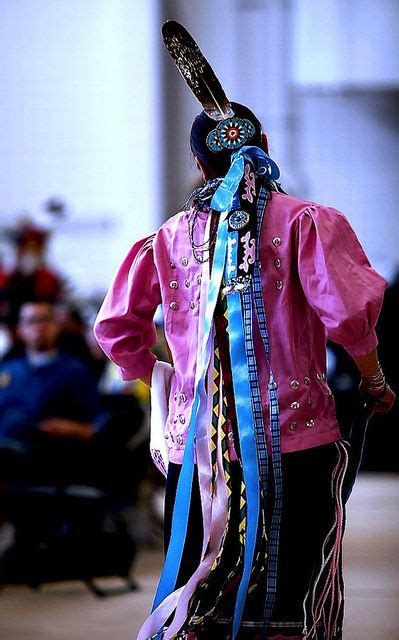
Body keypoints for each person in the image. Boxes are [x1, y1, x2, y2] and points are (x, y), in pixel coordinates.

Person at [94, 21, 395, 640]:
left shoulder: (168, 238)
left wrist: (166, 385)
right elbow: (348, 320)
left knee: (196, 585)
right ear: (263, 149)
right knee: (292, 589)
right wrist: (374, 382)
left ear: (201, 161)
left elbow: (118, 328)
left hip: (196, 447)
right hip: (297, 438)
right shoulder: (310, 222)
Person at [0, 299, 102, 486]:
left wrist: (69, 428)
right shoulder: (7, 370)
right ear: (20, 329)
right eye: (31, 321)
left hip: (45, 459)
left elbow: (96, 427)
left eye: (44, 319)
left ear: (56, 326)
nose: (38, 326)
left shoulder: (75, 371)